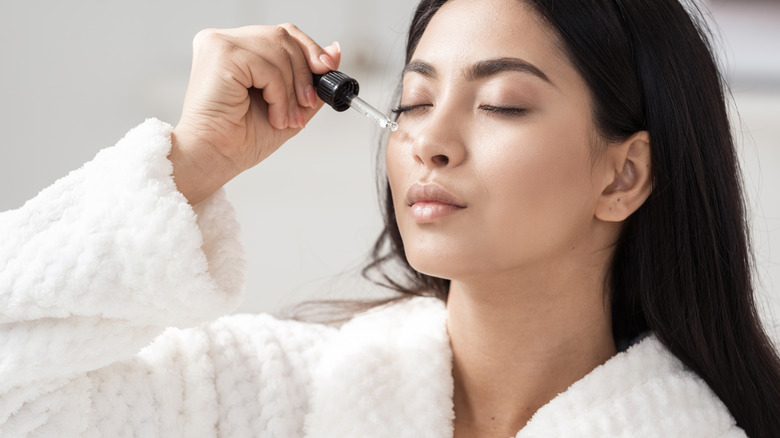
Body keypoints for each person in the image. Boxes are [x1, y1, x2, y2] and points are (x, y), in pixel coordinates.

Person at [1, 0, 779, 436]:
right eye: (412, 101)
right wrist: (190, 161)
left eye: (502, 104)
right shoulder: (267, 396)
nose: (429, 142)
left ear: (625, 173)